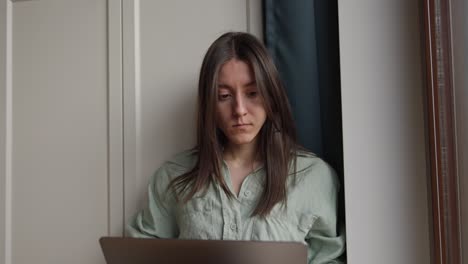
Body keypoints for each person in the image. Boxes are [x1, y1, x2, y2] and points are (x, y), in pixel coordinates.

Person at [127, 32, 345, 263]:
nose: (239, 109)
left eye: (253, 93)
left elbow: (329, 258)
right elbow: (139, 253)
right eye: (224, 96)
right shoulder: (174, 176)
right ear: (209, 103)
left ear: (271, 96)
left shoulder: (315, 177)